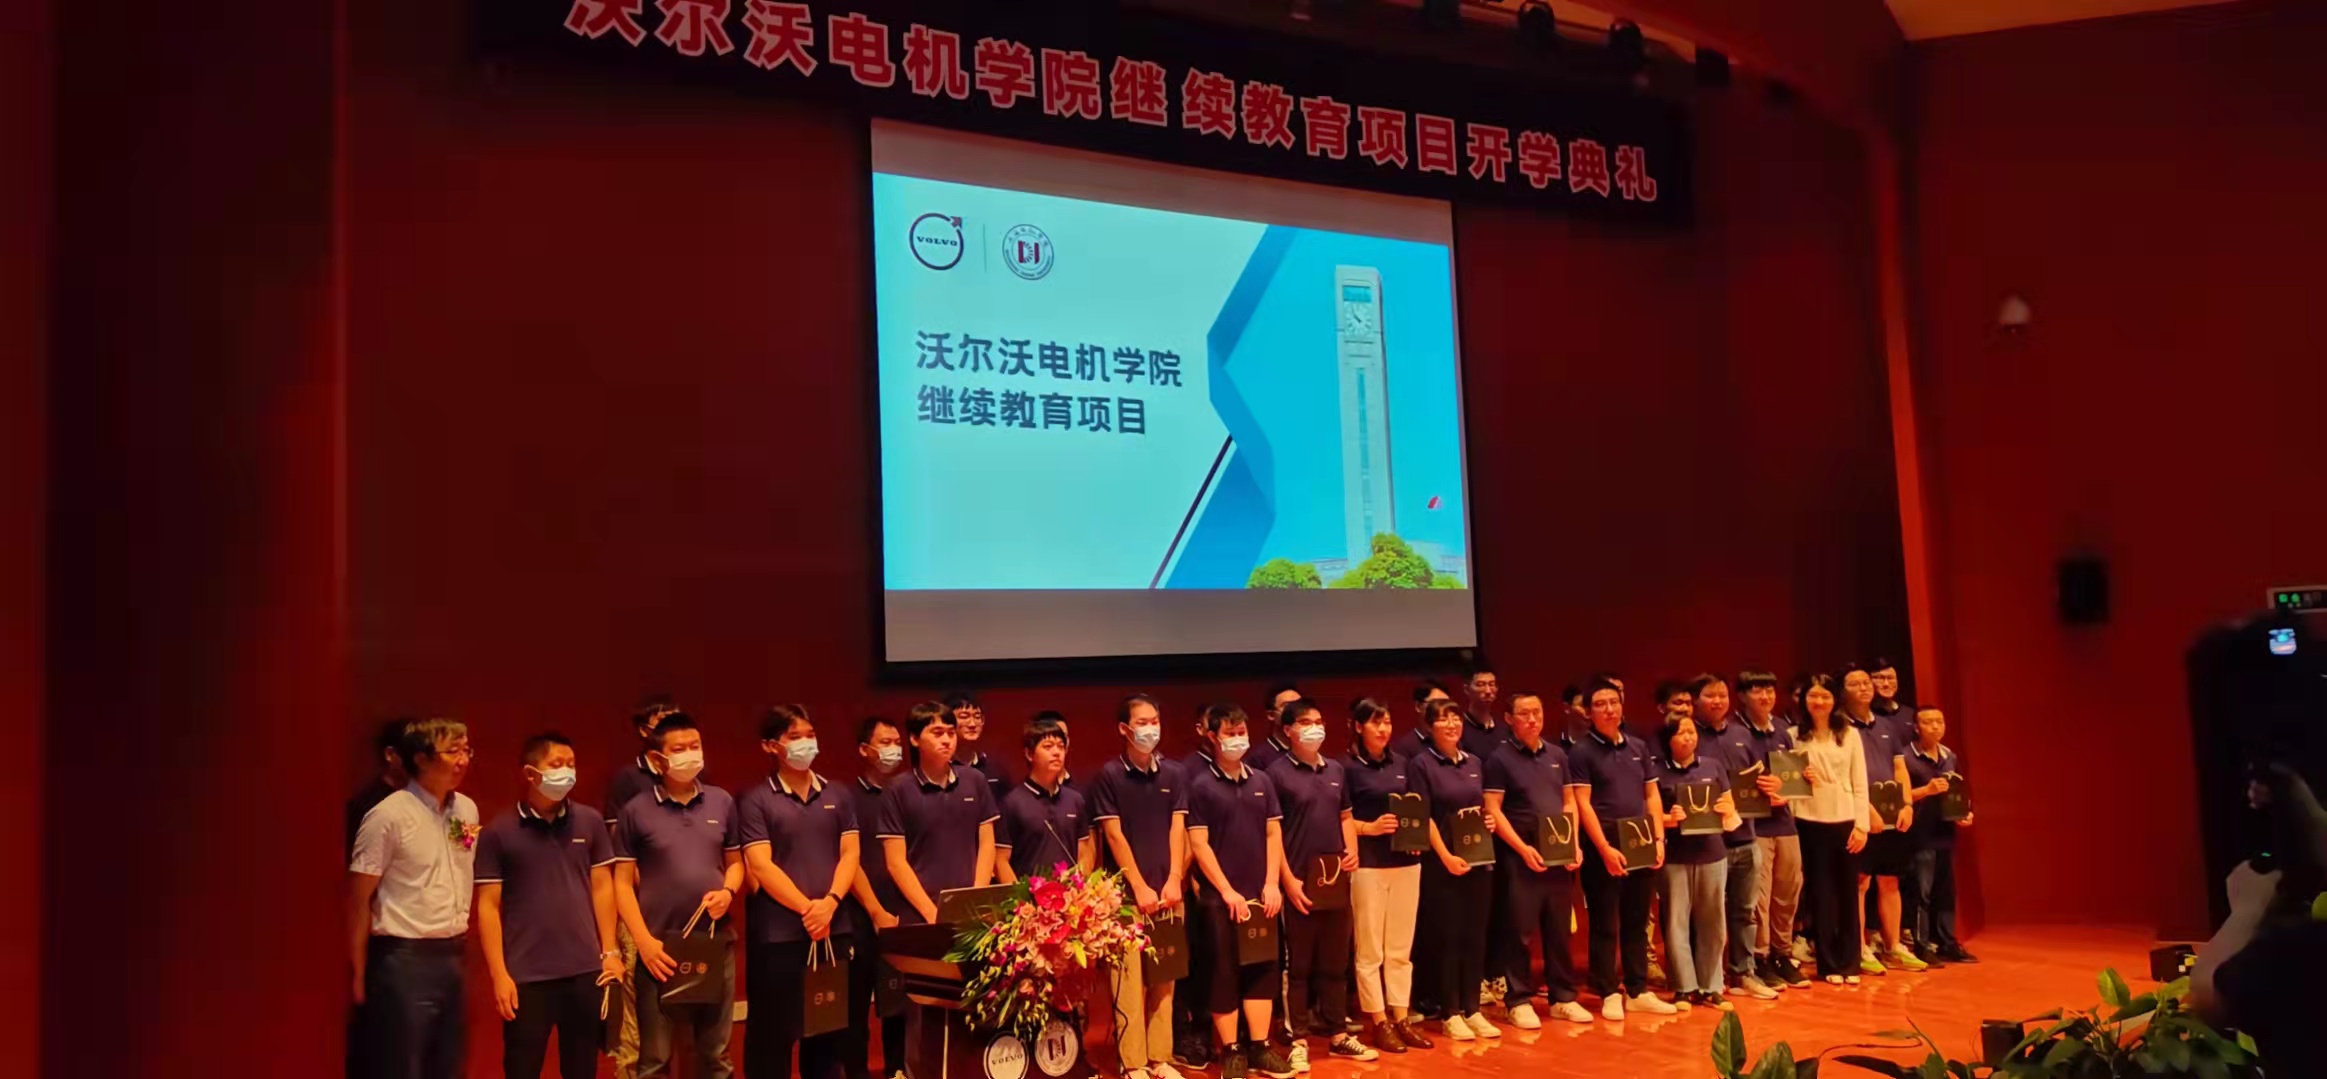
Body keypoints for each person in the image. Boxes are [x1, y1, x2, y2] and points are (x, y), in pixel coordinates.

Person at [476, 732, 624, 1079]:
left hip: (585, 971)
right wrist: (499, 974)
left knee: (582, 1068)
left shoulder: (590, 821)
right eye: (557, 764)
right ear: (530, 773)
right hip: (527, 976)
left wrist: (610, 951)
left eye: (571, 764)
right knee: (522, 1068)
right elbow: (488, 906)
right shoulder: (499, 832)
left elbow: (603, 888)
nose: (567, 772)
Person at [613, 713, 744, 1079]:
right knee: (655, 1058)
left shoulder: (721, 801)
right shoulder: (635, 810)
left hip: (715, 943)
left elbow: (736, 865)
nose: (690, 754)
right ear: (658, 759)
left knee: (716, 1054)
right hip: (659, 948)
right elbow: (621, 883)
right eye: (679, 748)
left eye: (695, 746)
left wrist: (728, 892)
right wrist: (644, 943)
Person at [349, 717, 478, 1079]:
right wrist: (358, 971)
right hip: (403, 959)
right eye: (452, 751)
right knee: (402, 1065)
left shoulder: (466, 810)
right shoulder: (388, 815)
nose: (463, 760)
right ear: (421, 758)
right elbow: (358, 898)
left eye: (467, 750)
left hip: (452, 953)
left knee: (449, 1064)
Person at [737, 705, 861, 1079]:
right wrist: (809, 909)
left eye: (810, 735)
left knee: (827, 1036)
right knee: (772, 1037)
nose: (806, 743)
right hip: (781, 935)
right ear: (770, 746)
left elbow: (850, 854)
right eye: (794, 737)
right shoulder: (756, 799)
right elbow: (761, 865)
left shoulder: (838, 794)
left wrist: (831, 903)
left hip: (833, 929)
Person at [1186, 704, 1295, 1079]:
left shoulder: (1262, 781)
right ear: (1212, 737)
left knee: (1263, 968)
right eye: (1230, 733)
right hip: (1221, 899)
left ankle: (1260, 1046)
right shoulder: (1201, 786)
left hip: (1261, 896)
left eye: (1242, 732)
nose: (1238, 739)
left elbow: (1273, 833)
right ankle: (1231, 1049)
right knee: (1223, 972)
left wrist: (1271, 883)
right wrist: (1227, 891)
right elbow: (1198, 843)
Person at [1266, 699, 1374, 1065]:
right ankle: (1297, 1039)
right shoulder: (1276, 774)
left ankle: (1338, 1034)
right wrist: (1287, 881)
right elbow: (1272, 832)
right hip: (1299, 882)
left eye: (1319, 720)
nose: (1315, 728)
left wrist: (1352, 850)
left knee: (1335, 962)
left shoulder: (1336, 770)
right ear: (1288, 730)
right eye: (1306, 722)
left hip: (1335, 881)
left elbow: (1346, 817)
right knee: (1298, 967)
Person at [1091, 694, 1193, 1079]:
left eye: (1155, 721)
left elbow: (1178, 828)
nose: (1151, 728)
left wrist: (1174, 879)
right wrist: (1139, 886)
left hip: (1168, 893)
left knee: (1165, 979)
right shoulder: (1109, 776)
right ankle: (1132, 1062)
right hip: (1126, 897)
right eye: (1142, 722)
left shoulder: (1175, 774)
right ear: (1124, 729)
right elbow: (1113, 835)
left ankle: (1159, 1058)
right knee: (1129, 983)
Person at [1482, 690, 1592, 1028]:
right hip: (1520, 857)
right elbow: (1493, 810)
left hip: (1558, 855)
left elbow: (1569, 802)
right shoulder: (1499, 759)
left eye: (1537, 712)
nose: (1532, 719)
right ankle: (1518, 1000)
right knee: (1520, 931)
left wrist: (1573, 843)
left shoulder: (1557, 755)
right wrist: (1522, 849)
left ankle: (1563, 997)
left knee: (1559, 929)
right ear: (1509, 719)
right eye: (1524, 713)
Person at [1568, 679, 1675, 1020]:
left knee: (1637, 921)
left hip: (1641, 842)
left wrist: (1658, 839)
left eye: (1613, 702)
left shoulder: (1638, 746)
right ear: (1589, 712)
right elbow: (1583, 803)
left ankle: (1638, 989)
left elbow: (1651, 795)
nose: (1609, 709)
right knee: (1605, 923)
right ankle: (1608, 991)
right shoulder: (1581, 751)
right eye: (1600, 704)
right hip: (1603, 848)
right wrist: (1604, 849)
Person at [1406, 698, 1502, 1040]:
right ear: (1430, 727)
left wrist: (1488, 821)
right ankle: (1450, 1012)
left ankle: (1472, 1009)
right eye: (1443, 719)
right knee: (1448, 938)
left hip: (1477, 860)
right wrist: (1446, 856)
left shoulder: (1473, 762)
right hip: (1442, 864)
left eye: (1456, 718)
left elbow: (1479, 807)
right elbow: (1424, 816)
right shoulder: (1421, 764)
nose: (1451, 724)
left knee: (1475, 936)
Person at [1343, 698, 1432, 1054]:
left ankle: (1401, 1017)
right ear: (1358, 726)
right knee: (1370, 950)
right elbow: (1341, 818)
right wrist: (1371, 828)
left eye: (1388, 722)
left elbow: (1416, 809)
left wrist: (1415, 838)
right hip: (1367, 865)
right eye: (1375, 722)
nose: (1383, 729)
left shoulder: (1403, 763)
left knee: (1400, 948)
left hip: (1405, 864)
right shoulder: (1346, 768)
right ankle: (1378, 1021)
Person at [1691, 674, 1782, 1000]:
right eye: (1709, 695)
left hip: (1746, 838)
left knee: (1745, 911)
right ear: (1695, 700)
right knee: (1706, 916)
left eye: (1722, 695)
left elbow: (1759, 777)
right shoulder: (1689, 736)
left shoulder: (1742, 734)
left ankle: (1744, 973)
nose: (1717, 701)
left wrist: (1773, 785)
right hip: (1708, 844)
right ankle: (1706, 979)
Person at [606, 695, 681, 1079]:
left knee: (685, 1011)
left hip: (686, 916)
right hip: (641, 911)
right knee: (638, 1017)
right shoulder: (628, 781)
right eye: (663, 722)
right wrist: (654, 890)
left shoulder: (697, 779)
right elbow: (622, 853)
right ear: (644, 732)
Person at [877, 702, 999, 924]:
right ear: (914, 739)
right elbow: (895, 862)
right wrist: (933, 914)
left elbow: (987, 844)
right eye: (937, 733)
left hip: (971, 912)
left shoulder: (975, 780)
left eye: (951, 733)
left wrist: (976, 898)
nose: (946, 740)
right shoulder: (897, 789)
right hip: (920, 914)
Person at [1841, 664, 1924, 975]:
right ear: (1843, 691)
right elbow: (1844, 775)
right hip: (1861, 816)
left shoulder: (1887, 725)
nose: (1864, 688)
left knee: (1890, 880)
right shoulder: (1841, 727)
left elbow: (1899, 767)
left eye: (1866, 682)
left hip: (1893, 815)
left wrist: (1906, 805)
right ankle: (1861, 947)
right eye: (1855, 683)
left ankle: (1893, 946)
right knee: (1860, 882)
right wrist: (1865, 811)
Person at [1654, 713, 1740, 1011]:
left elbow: (1731, 811)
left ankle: (1712, 986)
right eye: (1681, 733)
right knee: (1676, 921)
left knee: (1713, 922)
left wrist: (1727, 809)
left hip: (1712, 854)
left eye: (1691, 732)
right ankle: (1684, 987)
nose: (1688, 737)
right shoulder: (1657, 771)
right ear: (1669, 739)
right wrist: (1669, 819)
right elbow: (1649, 814)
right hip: (1675, 857)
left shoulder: (1713, 766)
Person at [346, 716, 413, 1078]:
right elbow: (358, 892)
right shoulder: (369, 807)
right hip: (383, 942)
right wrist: (359, 968)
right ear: (391, 754)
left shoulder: (429, 804)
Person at [1791, 674, 1869, 985]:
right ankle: (1828, 964)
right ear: (1804, 700)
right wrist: (1800, 776)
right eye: (1813, 696)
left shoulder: (1849, 734)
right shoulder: (1793, 735)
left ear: (1835, 700)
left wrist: (1862, 826)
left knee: (1847, 892)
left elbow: (1860, 782)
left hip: (1845, 819)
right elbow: (1786, 782)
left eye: (1825, 696)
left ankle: (1850, 962)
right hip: (1808, 820)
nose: (1819, 702)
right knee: (1820, 894)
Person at [844, 716, 910, 1079]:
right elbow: (848, 860)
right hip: (860, 916)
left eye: (897, 742)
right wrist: (874, 911)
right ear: (864, 750)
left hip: (902, 916)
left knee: (899, 1009)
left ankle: (898, 1073)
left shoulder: (907, 792)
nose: (893, 750)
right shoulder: (847, 798)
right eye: (885, 742)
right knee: (855, 1011)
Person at [1738, 669, 1808, 989]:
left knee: (1788, 891)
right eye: (1757, 690)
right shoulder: (1736, 732)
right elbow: (1735, 780)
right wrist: (1762, 790)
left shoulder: (1782, 729)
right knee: (1760, 897)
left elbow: (1791, 777)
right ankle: (1761, 955)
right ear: (1742, 696)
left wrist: (1799, 781)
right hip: (1756, 826)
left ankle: (1783, 952)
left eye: (1769, 690)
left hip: (1785, 823)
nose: (1765, 696)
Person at [1901, 706, 1976, 966]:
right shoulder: (1906, 757)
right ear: (1916, 727)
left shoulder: (1949, 756)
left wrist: (1964, 813)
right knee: (1921, 892)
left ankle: (1947, 942)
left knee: (1945, 892)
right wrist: (1927, 790)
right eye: (1928, 722)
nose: (1935, 726)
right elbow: (1900, 796)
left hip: (1945, 832)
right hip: (1919, 834)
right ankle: (1921, 946)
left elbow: (1957, 791)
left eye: (1939, 721)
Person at [996, 713, 1095, 883]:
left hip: (1069, 895)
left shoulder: (1075, 800)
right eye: (1048, 747)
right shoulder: (1011, 803)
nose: (1056, 752)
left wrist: (1078, 888)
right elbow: (1000, 861)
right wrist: (1019, 895)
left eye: (1061, 747)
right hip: (1028, 895)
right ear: (1029, 754)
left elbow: (1084, 854)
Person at [945, 692, 1011, 804]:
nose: (972, 724)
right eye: (964, 717)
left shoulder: (995, 770)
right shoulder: (941, 769)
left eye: (977, 717)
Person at [1390, 680, 1454, 761]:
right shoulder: (1403, 747)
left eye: (1445, 703)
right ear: (1418, 706)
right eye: (1434, 703)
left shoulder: (1454, 742)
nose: (1440, 709)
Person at [1249, 684, 1301, 774]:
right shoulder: (1259, 758)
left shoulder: (1310, 750)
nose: (1296, 711)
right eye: (1287, 706)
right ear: (1271, 715)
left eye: (1300, 705)